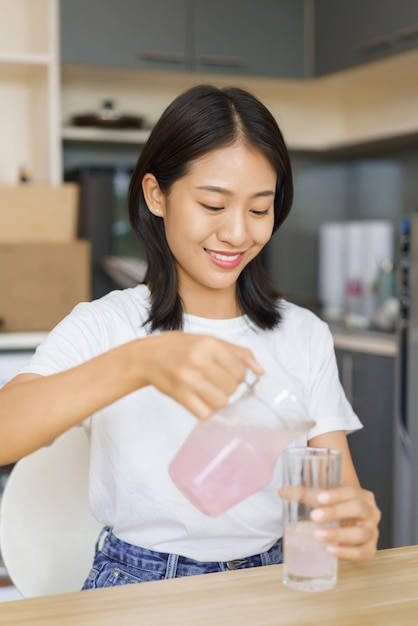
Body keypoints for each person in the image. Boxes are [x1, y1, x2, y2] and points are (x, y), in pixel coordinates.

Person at [0, 84, 380, 589]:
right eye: (213, 205)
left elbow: (333, 498)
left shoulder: (302, 334)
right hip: (136, 583)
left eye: (259, 209)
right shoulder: (105, 324)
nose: (238, 233)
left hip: (269, 580)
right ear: (157, 195)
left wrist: (352, 526)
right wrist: (140, 362)